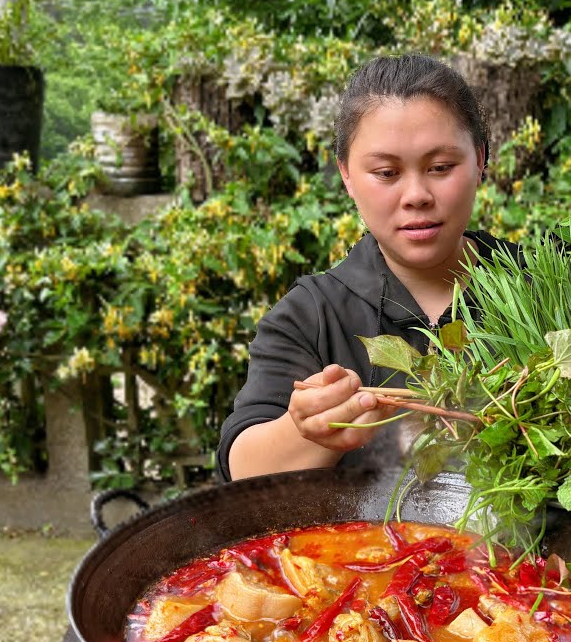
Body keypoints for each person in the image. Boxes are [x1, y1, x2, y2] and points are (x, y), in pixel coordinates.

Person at [217, 54, 518, 482]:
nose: (416, 194)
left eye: (440, 168)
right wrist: (308, 430)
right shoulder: (311, 316)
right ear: (347, 176)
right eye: (386, 172)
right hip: (368, 549)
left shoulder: (542, 282)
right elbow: (243, 469)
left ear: (480, 160)